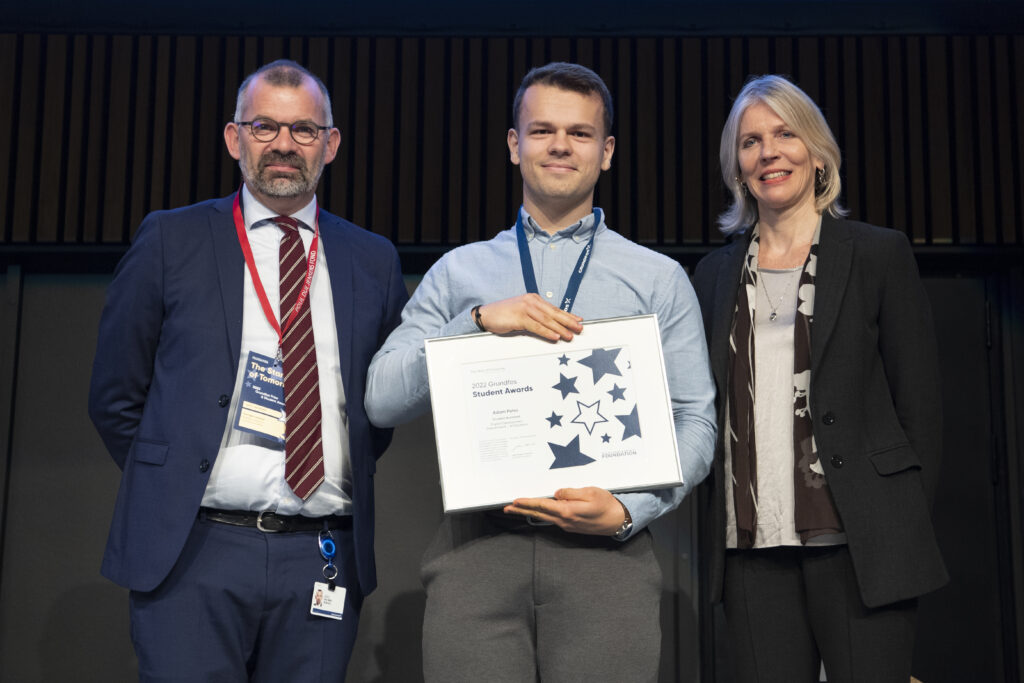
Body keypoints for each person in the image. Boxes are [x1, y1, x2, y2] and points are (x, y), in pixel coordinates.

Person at [365, 62, 716, 682]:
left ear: (606, 153)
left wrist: (629, 509)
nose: (560, 146)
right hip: (477, 552)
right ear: (514, 144)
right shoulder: (459, 274)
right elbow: (381, 399)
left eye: (580, 134)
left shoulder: (657, 278)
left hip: (609, 558)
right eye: (543, 130)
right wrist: (476, 321)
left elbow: (696, 423)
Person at [88, 59, 407, 681]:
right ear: (235, 139)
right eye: (265, 127)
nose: (284, 145)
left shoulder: (372, 259)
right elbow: (114, 395)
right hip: (194, 549)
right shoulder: (169, 240)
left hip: (323, 553)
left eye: (304, 130)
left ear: (330, 145)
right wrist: (176, 478)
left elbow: (379, 408)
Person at [691, 74, 948, 683]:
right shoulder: (711, 274)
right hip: (748, 546)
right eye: (750, 142)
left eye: (784, 134)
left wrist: (897, 525)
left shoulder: (879, 253)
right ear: (738, 164)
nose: (769, 152)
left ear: (816, 152)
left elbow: (922, 410)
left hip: (863, 541)